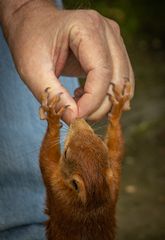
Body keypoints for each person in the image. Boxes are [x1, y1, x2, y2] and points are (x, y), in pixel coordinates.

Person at [0, 0, 134, 239]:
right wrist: (115, 117)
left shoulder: (65, 192)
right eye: (95, 138)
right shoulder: (108, 183)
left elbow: (47, 164)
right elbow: (116, 152)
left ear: (75, 184)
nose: (79, 125)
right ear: (108, 173)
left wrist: (53, 125)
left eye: (67, 152)